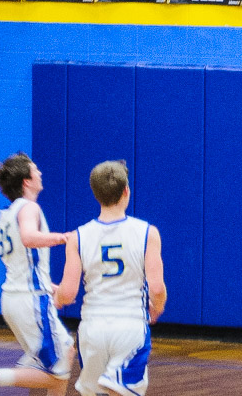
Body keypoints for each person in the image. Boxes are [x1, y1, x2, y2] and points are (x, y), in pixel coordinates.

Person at [55, 160, 167, 396]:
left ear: (95, 194)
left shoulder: (78, 237)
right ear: (126, 191)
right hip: (129, 327)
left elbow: (68, 293)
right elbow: (156, 287)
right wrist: (157, 307)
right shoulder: (147, 232)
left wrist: (57, 297)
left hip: (92, 329)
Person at [0, 153, 74, 396]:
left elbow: (20, 259)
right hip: (30, 300)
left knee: (65, 353)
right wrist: (63, 237)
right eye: (35, 170)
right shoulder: (29, 207)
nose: (40, 173)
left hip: (16, 297)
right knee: (57, 368)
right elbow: (28, 238)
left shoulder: (7, 213)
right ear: (26, 181)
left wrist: (50, 284)